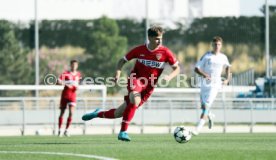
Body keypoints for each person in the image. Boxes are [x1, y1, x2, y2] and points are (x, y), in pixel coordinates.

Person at [82, 25, 180, 141]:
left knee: (118, 113)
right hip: (136, 79)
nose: (159, 41)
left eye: (161, 38)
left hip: (149, 86)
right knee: (135, 99)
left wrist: (169, 77)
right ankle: (123, 132)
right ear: (150, 38)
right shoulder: (139, 50)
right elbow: (122, 61)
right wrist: (118, 73)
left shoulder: (165, 52)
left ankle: (97, 113)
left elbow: (177, 68)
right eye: (157, 38)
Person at [192, 36, 231, 135]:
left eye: (218, 44)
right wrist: (205, 75)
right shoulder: (206, 56)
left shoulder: (223, 57)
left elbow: (227, 68)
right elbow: (196, 68)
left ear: (221, 45)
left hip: (215, 85)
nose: (217, 46)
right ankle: (210, 115)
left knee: (206, 106)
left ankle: (198, 129)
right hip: (204, 84)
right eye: (215, 44)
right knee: (203, 106)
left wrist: (227, 79)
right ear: (212, 45)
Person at [57, 60, 82, 137]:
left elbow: (78, 84)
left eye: (75, 65)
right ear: (70, 65)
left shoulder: (78, 74)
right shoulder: (66, 73)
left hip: (73, 95)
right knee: (62, 112)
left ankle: (66, 130)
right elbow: (58, 81)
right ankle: (59, 129)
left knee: (71, 113)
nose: (74, 66)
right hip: (65, 95)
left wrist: (77, 87)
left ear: (77, 66)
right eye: (73, 64)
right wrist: (66, 84)